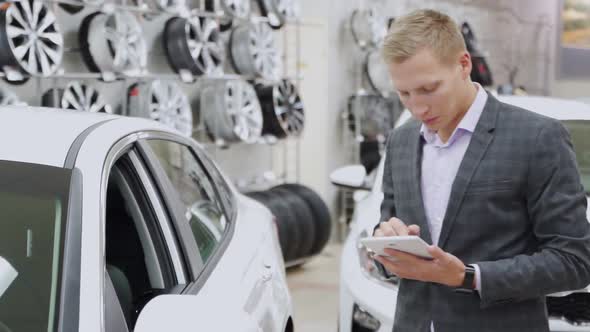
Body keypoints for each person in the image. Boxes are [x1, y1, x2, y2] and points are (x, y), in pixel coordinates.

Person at [371, 9, 590, 332]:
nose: (417, 108)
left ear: (463, 64)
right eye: (404, 94)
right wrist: (385, 245)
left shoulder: (537, 137)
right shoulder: (402, 141)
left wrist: (468, 277)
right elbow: (389, 227)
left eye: (429, 89)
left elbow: (575, 261)